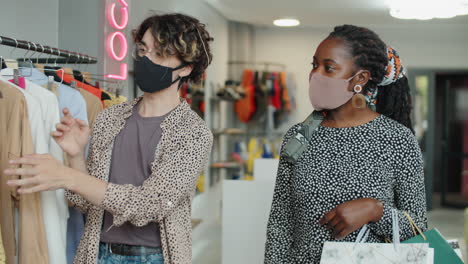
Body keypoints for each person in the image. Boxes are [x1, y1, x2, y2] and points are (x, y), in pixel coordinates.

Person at [4, 13, 214, 264]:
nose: (146, 59)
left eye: (159, 54)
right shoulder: (110, 118)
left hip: (155, 258)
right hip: (97, 253)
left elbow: (149, 205)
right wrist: (74, 156)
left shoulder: (193, 133)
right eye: (144, 50)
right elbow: (85, 202)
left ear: (187, 67)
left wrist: (67, 175)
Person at [264, 25, 427, 263]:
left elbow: (418, 229)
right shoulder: (299, 136)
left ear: (360, 79)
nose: (315, 75)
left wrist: (375, 211)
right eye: (314, 65)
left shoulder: (397, 139)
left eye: (328, 68)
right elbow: (280, 220)